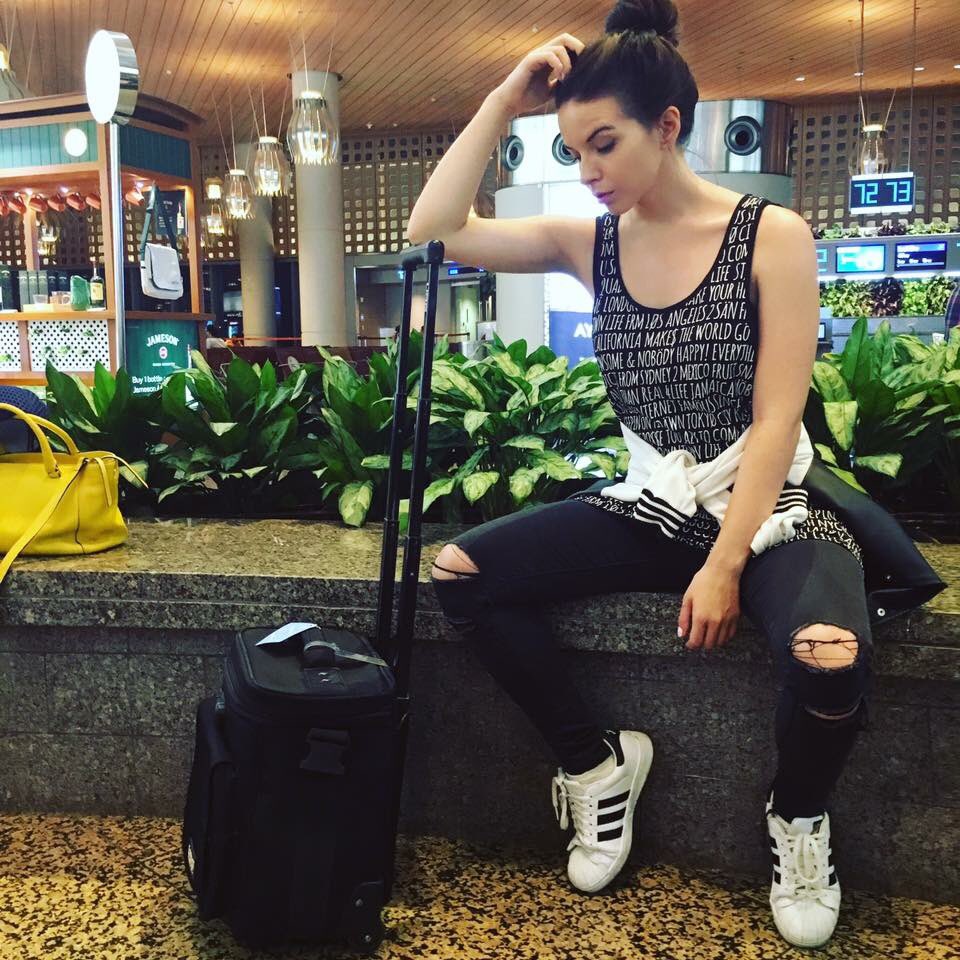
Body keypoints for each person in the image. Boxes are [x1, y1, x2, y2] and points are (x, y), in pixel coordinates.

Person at [408, 0, 944, 949]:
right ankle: (595, 767)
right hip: (653, 501)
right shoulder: (591, 241)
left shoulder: (772, 235)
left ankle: (798, 816)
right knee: (463, 576)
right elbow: (435, 228)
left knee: (830, 657)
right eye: (574, 150)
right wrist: (503, 97)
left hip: (771, 506)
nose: (588, 171)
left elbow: (777, 417)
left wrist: (726, 564)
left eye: (604, 144)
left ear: (667, 127)